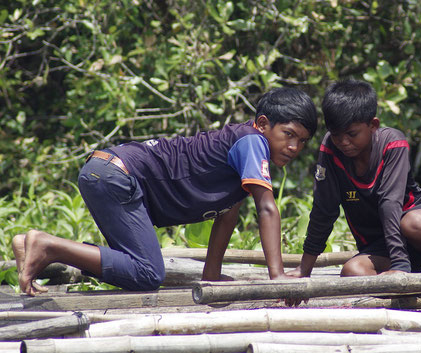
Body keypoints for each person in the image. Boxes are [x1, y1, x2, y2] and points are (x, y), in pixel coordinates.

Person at [12, 87, 318, 296]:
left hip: (106, 171)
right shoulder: (253, 141)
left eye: (302, 141)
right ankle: (48, 245)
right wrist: (277, 278)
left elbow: (227, 217)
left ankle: (32, 247)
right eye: (288, 135)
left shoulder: (241, 153)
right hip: (117, 175)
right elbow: (267, 208)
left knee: (135, 269)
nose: (294, 147)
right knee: (148, 274)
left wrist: (211, 275)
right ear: (263, 124)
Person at [289, 78, 421, 285]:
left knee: (413, 223)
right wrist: (305, 269)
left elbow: (390, 201)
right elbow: (324, 209)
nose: (343, 142)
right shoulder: (331, 149)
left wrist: (400, 265)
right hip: (381, 243)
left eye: (352, 134)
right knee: (353, 271)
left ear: (373, 125)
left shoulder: (392, 143)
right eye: (337, 135)